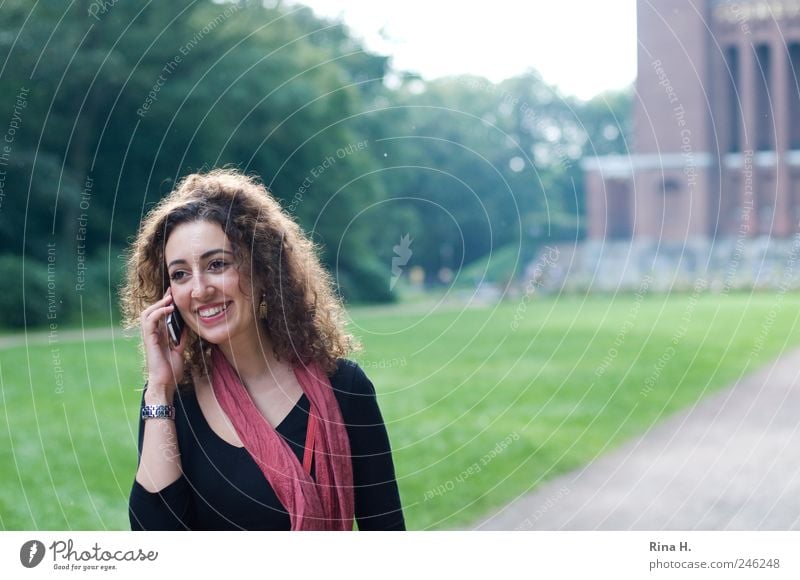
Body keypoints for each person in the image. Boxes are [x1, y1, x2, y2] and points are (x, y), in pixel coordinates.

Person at [120, 168, 405, 530]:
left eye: (217, 264)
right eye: (180, 274)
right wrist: (160, 388)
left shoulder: (344, 387)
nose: (199, 289)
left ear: (263, 268)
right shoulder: (173, 401)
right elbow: (155, 536)